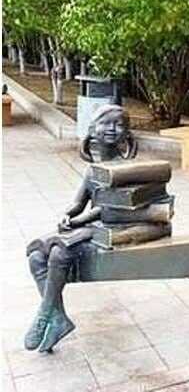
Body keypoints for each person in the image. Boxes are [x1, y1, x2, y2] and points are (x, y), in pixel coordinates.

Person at [24, 103, 137, 353]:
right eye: (105, 123)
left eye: (119, 124)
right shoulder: (92, 170)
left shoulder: (126, 170)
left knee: (59, 252)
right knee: (35, 257)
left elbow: (110, 208)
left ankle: (45, 313)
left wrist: (78, 221)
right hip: (92, 226)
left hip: (116, 227)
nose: (112, 129)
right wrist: (68, 215)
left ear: (127, 134)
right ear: (93, 130)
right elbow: (79, 202)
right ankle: (58, 318)